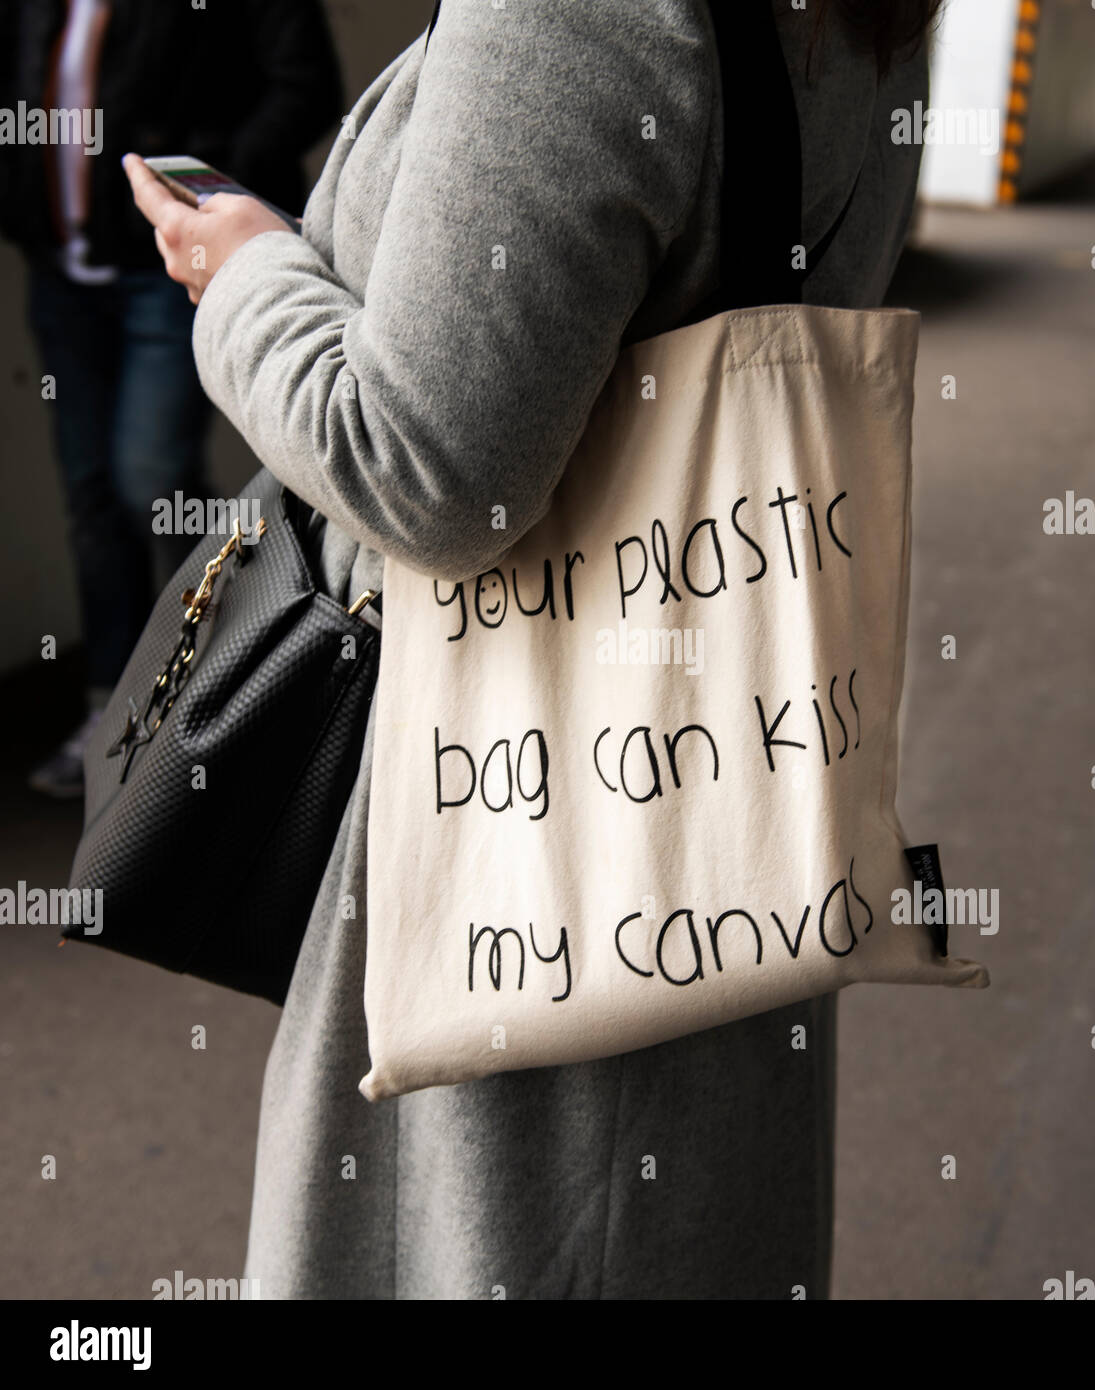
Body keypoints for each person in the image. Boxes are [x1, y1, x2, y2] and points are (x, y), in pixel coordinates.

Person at [124, 0, 938, 1299]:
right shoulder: (862, 22)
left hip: (513, 821)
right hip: (722, 810)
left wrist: (248, 273)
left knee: (473, 1240)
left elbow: (431, 470)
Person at [0, 0, 341, 797]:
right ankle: (111, 716)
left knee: (150, 481)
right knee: (91, 498)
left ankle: (227, 690)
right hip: (61, 278)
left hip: (164, 271)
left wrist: (210, 189)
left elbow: (306, 84)